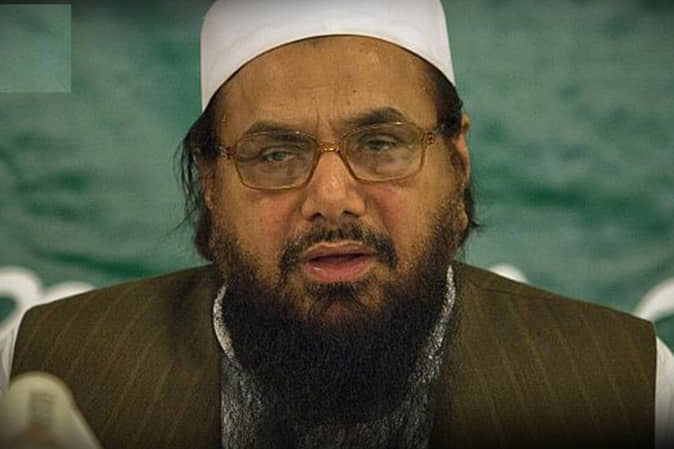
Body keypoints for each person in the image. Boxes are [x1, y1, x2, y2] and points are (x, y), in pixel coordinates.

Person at [5, 0, 673, 448]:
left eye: (381, 144)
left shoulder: (630, 386)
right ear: (210, 184)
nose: (331, 198)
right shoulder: (42, 364)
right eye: (275, 155)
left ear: (457, 161)